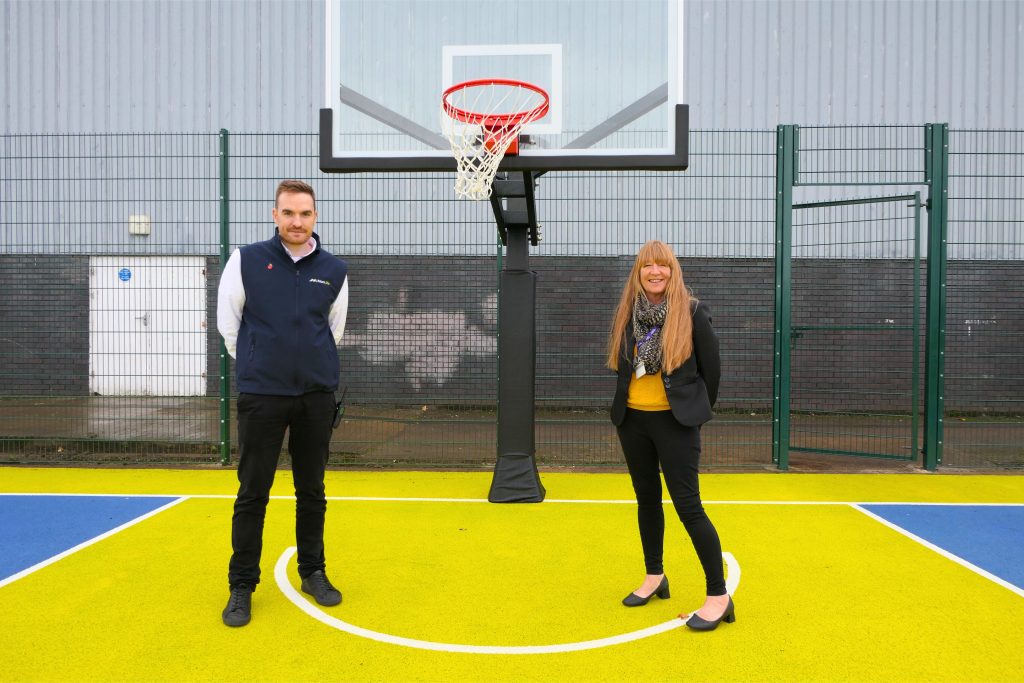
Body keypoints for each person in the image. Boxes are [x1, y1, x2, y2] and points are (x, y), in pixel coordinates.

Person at [216, 179, 349, 627]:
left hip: (315, 397)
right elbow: (230, 326)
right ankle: (241, 586)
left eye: (305, 213)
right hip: (262, 397)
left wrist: (308, 368)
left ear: (315, 217)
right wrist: (262, 364)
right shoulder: (246, 260)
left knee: (312, 491)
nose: (297, 221)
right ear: (275, 216)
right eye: (288, 213)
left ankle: (313, 571)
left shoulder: (334, 268)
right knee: (253, 492)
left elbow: (333, 331)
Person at [606, 240, 734, 632]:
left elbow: (710, 371)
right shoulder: (630, 313)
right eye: (648, 266)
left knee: (689, 507)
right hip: (633, 421)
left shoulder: (693, 312)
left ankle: (718, 596)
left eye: (663, 265)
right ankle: (655, 576)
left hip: (675, 423)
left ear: (673, 270)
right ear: (639, 272)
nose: (655, 271)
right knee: (647, 500)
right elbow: (627, 367)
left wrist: (692, 411)